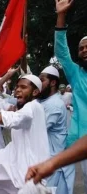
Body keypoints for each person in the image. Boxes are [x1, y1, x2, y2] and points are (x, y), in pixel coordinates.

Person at [54, 0, 87, 192]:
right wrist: (61, 16)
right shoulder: (76, 75)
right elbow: (61, 52)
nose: (84, 50)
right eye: (81, 48)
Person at [38, 65, 71, 193]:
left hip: (54, 164)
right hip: (47, 160)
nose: (38, 84)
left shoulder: (55, 104)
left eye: (42, 80)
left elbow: (37, 128)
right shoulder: (44, 101)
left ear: (53, 82)